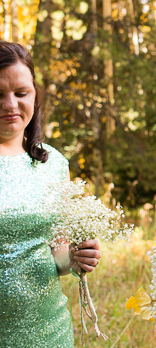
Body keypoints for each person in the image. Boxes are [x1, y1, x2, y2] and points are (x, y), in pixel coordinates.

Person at [0, 41, 102, 348]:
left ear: (35, 95)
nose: (10, 104)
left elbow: (56, 251)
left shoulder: (53, 163)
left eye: (21, 93)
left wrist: (73, 257)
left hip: (47, 332)